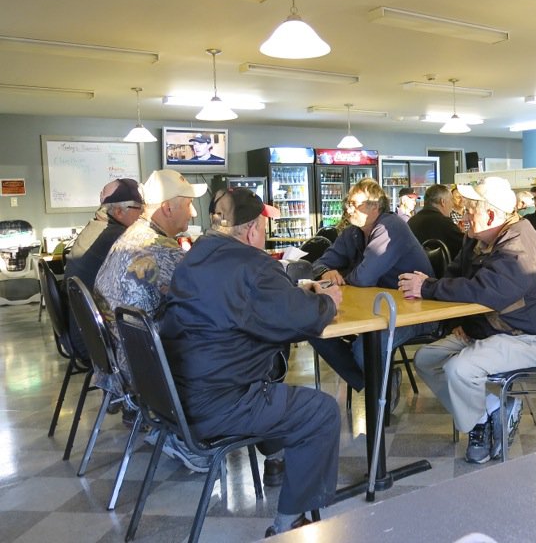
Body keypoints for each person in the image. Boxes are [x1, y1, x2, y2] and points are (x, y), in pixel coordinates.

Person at [160, 187, 342, 538]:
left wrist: (293, 297)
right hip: (221, 404)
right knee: (321, 412)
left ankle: (278, 461)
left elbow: (250, 307)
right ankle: (291, 523)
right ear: (251, 230)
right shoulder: (254, 267)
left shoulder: (193, 256)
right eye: (262, 224)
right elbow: (306, 320)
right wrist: (329, 302)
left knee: (274, 382)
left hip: (177, 397)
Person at [399, 176, 536, 464]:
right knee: (426, 359)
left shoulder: (520, 247)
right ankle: (491, 409)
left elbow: (486, 293)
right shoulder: (477, 239)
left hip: (530, 338)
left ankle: (478, 426)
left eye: (470, 209)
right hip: (493, 329)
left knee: (459, 369)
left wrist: (427, 287)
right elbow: (456, 276)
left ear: (490, 214)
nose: (463, 215)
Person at [94, 169, 208, 470]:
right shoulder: (159, 248)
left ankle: (170, 428)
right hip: (144, 368)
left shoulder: (131, 236)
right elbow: (209, 295)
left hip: (117, 359)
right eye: (188, 204)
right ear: (167, 207)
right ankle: (190, 437)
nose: (194, 212)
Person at [309, 178, 432, 395]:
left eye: (354, 204)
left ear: (374, 206)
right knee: (315, 328)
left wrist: (342, 274)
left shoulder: (390, 227)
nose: (348, 209)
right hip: (377, 308)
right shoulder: (353, 232)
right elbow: (320, 262)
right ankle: (377, 383)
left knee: (365, 349)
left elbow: (364, 277)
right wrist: (325, 271)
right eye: (347, 203)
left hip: (419, 312)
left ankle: (378, 388)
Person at [64, 178, 144, 359]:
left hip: (81, 332)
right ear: (118, 211)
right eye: (139, 209)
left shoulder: (96, 227)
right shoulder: (120, 239)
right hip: (96, 344)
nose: (142, 215)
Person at [407, 183, 464, 259]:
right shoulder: (445, 223)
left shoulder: (411, 221)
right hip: (438, 270)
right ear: (443, 202)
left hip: (412, 268)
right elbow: (464, 248)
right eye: (451, 200)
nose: (452, 204)